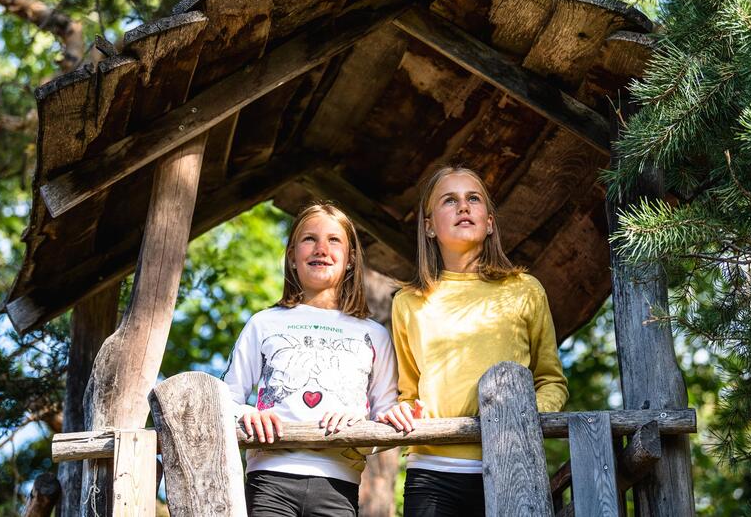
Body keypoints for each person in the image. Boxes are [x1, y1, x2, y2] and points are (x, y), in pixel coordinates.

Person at [378, 166, 569, 517]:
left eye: (473, 199)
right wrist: (404, 408)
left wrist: (519, 417)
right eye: (450, 200)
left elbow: (551, 381)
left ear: (490, 221)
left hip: (514, 465)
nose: (463, 207)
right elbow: (408, 392)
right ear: (429, 226)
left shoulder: (525, 289)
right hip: (433, 473)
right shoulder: (408, 302)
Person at [222, 203, 398, 517]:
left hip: (339, 484)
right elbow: (226, 399)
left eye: (334, 241)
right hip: (268, 479)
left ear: (350, 259)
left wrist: (361, 427)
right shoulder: (263, 323)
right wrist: (246, 413)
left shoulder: (374, 335)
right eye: (309, 239)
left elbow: (386, 416)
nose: (321, 249)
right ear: (291, 256)